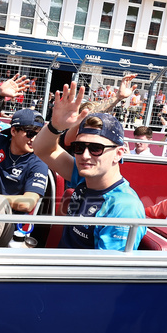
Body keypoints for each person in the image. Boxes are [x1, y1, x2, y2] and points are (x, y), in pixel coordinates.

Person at [32, 83, 145, 251]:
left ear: (119, 154)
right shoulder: (85, 177)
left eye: (96, 149)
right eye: (79, 147)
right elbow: (42, 149)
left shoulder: (122, 207)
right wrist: (55, 126)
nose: (85, 155)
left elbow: (104, 272)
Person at [0, 78, 51, 246]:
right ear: (13, 131)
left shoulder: (38, 162)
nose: (34, 139)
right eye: (30, 133)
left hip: (12, 229)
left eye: (38, 134)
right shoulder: (0, 142)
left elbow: (29, 202)